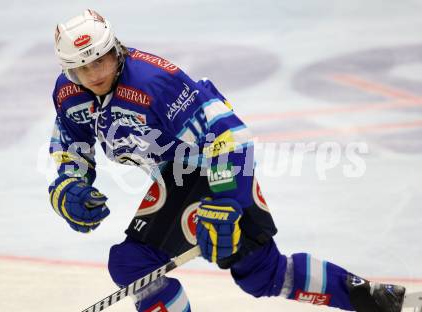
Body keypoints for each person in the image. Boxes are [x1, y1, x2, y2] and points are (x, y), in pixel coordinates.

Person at [49, 9, 406, 312]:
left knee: (261, 274)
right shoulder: (69, 95)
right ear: (69, 71)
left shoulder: (154, 82)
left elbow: (227, 135)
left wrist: (225, 199)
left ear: (116, 50)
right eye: (82, 68)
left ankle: (368, 298)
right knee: (132, 263)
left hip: (216, 164)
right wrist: (70, 184)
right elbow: (71, 140)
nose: (95, 74)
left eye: (100, 60)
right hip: (176, 175)